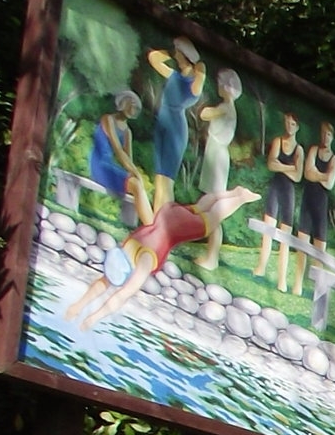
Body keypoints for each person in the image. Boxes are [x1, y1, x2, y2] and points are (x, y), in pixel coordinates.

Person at [67, 184, 261, 331]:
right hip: (168, 214)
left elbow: (122, 295)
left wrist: (94, 318)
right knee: (199, 207)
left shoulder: (144, 261)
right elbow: (104, 282)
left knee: (213, 217)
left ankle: (240, 198)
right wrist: (78, 305)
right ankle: (232, 192)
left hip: (179, 227)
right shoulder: (127, 245)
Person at [144, 36, 204, 211]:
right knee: (159, 179)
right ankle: (155, 225)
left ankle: (166, 225)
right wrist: (171, 52)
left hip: (175, 130)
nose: (176, 54)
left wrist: (194, 60)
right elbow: (154, 59)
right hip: (161, 125)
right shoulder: (174, 75)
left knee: (167, 181)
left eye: (179, 52)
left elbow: (201, 71)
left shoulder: (192, 84)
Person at [195, 69, 243, 267]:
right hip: (214, 154)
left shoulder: (226, 107)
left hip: (218, 157)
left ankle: (212, 257)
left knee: (213, 207)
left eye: (220, 83)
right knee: (209, 205)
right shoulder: (227, 107)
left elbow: (205, 114)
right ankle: (210, 254)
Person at [84, 90, 151, 227]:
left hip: (110, 166)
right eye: (129, 104)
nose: (131, 109)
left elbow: (128, 159)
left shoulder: (127, 132)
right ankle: (151, 227)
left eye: (134, 107)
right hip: (100, 165)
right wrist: (137, 174)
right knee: (137, 184)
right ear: (121, 102)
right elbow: (118, 151)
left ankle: (150, 226)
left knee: (137, 184)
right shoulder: (108, 119)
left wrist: (135, 173)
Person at [290, 119, 335, 296]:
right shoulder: (313, 150)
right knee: (301, 243)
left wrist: (316, 175)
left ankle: (316, 288)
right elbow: (307, 174)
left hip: (321, 205)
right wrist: (322, 175)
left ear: (332, 137)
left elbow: (329, 184)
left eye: (328, 134)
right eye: (323, 133)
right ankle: (297, 284)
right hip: (308, 200)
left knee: (320, 247)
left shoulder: (334, 160)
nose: (325, 138)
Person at [256, 111, 304, 287]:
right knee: (267, 229)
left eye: (292, 124)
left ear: (297, 127)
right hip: (275, 188)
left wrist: (280, 166)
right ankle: (261, 267)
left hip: (288, 192)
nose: (289, 127)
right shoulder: (278, 141)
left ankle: (282, 280)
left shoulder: (299, 150)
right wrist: (288, 167)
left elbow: (298, 176)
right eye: (287, 123)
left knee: (285, 236)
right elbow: (271, 164)